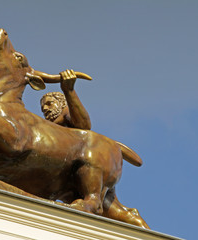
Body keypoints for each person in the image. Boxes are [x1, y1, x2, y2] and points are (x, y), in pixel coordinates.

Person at [40, 70, 147, 223]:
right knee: (115, 211)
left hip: (91, 162)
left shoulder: (68, 117)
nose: (45, 109)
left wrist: (69, 92)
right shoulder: (50, 127)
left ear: (62, 104)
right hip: (84, 171)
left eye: (50, 103)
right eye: (43, 107)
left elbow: (84, 125)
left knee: (95, 201)